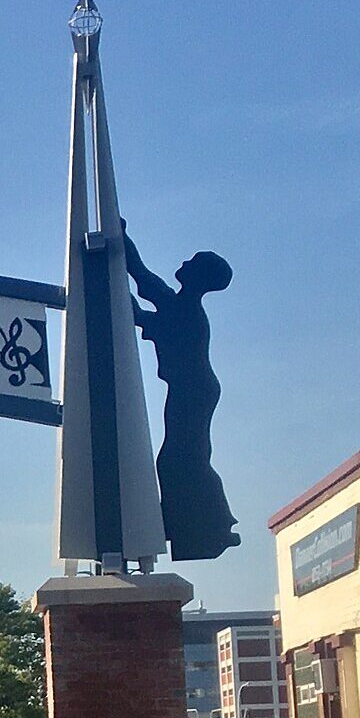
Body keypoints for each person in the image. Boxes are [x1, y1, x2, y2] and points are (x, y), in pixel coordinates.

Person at [124, 231, 240, 561]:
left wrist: (132, 310)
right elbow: (143, 277)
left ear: (198, 276)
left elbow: (144, 290)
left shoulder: (186, 310)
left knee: (181, 457)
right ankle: (202, 523)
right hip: (191, 389)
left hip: (194, 391)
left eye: (192, 262)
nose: (184, 262)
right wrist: (123, 237)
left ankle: (209, 525)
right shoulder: (180, 304)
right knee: (183, 457)